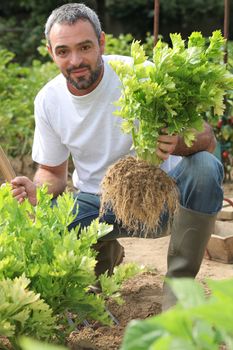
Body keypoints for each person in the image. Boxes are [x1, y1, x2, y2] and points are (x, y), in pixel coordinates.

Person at [11, 3, 224, 310]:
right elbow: (52, 173)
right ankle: (103, 259)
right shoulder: (49, 99)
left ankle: (178, 291)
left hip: (165, 200)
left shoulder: (141, 73)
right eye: (63, 51)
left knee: (205, 166)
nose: (75, 60)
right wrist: (37, 192)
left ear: (101, 42)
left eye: (85, 47)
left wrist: (180, 141)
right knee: (47, 217)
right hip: (99, 207)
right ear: (50, 51)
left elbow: (207, 138)